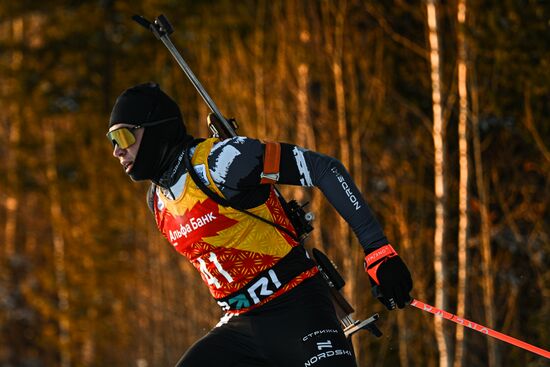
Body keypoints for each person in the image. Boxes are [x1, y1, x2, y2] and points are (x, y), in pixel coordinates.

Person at [107, 82, 413, 367]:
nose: (117, 150)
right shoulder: (157, 202)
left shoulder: (222, 161)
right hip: (241, 325)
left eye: (124, 136)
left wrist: (378, 252)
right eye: (112, 141)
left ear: (157, 129)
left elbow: (323, 169)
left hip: (300, 309)